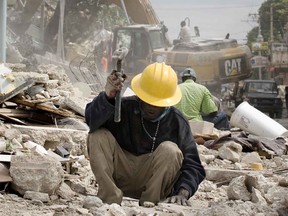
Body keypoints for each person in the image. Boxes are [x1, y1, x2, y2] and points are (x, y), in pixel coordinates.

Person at [85, 62, 206, 206]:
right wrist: (107, 97)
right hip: (120, 173)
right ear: (141, 95)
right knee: (97, 135)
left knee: (171, 150)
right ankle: (110, 197)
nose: (151, 107)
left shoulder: (177, 121)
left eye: (157, 103)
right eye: (148, 101)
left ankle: (149, 201)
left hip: (153, 183)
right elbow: (91, 120)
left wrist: (182, 193)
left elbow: (193, 164)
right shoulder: (124, 107)